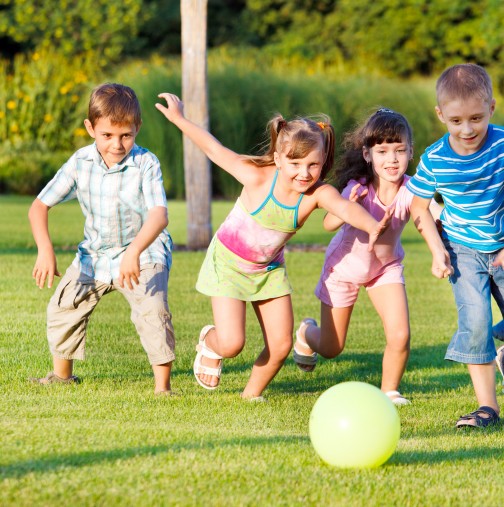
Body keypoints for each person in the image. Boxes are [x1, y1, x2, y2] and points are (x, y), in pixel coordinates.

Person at [156, 93, 392, 400]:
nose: (304, 173)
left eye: (313, 165)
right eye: (295, 163)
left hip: (268, 271)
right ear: (279, 159)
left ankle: (250, 396)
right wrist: (179, 119)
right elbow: (214, 149)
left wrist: (373, 225)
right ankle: (211, 343)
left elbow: (344, 208)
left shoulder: (316, 194)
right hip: (228, 264)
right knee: (232, 343)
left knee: (280, 345)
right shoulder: (256, 176)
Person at [28, 83, 176, 395]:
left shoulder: (146, 163)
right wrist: (45, 249)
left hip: (144, 252)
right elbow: (39, 206)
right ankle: (62, 376)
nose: (117, 144)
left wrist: (135, 250)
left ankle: (163, 388)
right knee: (64, 305)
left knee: (152, 310)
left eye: (126, 135)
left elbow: (159, 215)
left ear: (137, 128)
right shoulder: (80, 162)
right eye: (107, 135)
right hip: (95, 255)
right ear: (91, 128)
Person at [292, 108, 441, 406]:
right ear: (367, 154)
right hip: (343, 269)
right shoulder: (357, 187)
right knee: (332, 347)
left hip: (385, 269)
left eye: (399, 150)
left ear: (411, 152)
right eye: (383, 151)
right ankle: (306, 333)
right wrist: (346, 204)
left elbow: (431, 215)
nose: (392, 159)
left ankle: (389, 391)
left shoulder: (412, 189)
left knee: (400, 335)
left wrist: (447, 239)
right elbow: (328, 224)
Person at [407, 63, 504, 428]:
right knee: (476, 322)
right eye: (457, 120)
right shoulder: (435, 159)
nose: (467, 129)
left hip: (501, 245)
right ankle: (487, 409)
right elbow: (419, 206)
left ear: (492, 108)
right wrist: (437, 249)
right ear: (441, 115)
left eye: (477, 118)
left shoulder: (502, 146)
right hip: (462, 250)